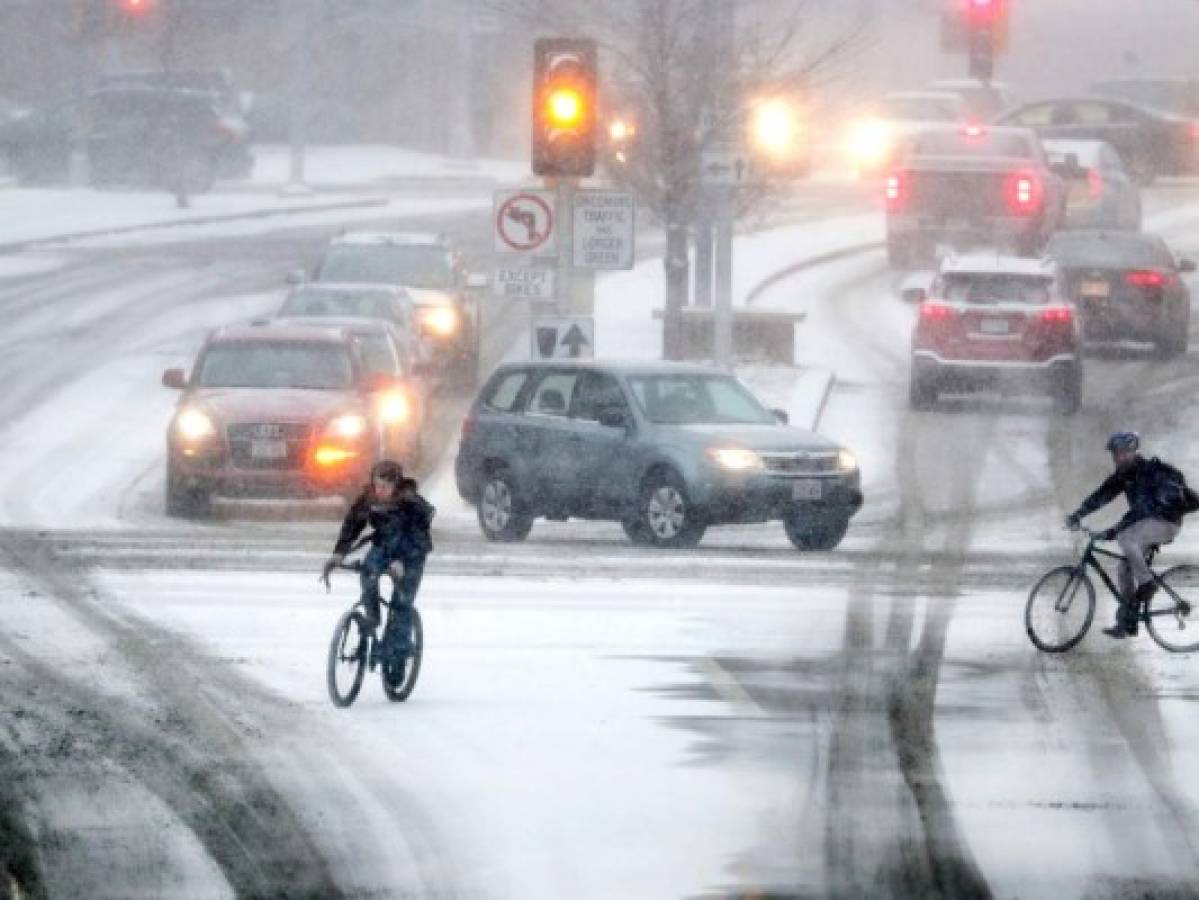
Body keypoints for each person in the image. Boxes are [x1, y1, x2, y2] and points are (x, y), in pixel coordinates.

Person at [1065, 431, 1198, 638]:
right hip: (1148, 525)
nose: (1118, 458)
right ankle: (1129, 621)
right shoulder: (1123, 475)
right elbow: (1102, 496)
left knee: (1126, 537)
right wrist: (1077, 515)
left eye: (1123, 453)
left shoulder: (1146, 472)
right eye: (1115, 454)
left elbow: (1142, 510)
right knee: (1124, 568)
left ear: (1134, 452)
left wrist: (1114, 530)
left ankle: (1147, 584)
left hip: (1166, 522)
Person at [322, 460, 435, 658]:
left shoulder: (412, 504)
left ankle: (398, 652)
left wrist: (401, 560)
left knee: (402, 601)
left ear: (396, 486)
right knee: (368, 574)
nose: (380, 491)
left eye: (385, 487)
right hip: (384, 545)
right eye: (377, 485)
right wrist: (339, 552)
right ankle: (372, 618)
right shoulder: (369, 498)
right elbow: (353, 523)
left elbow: (417, 535)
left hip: (412, 552)